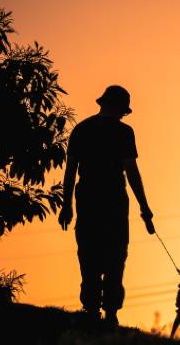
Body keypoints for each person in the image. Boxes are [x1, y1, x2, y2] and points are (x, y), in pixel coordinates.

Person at [58, 85, 155, 326]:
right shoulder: (124, 132)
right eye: (123, 110)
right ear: (118, 107)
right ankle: (111, 312)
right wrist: (144, 207)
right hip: (113, 199)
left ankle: (91, 310)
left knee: (88, 252)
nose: (124, 114)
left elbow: (70, 172)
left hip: (87, 197)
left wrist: (66, 205)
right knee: (115, 253)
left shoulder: (81, 130)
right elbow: (132, 172)